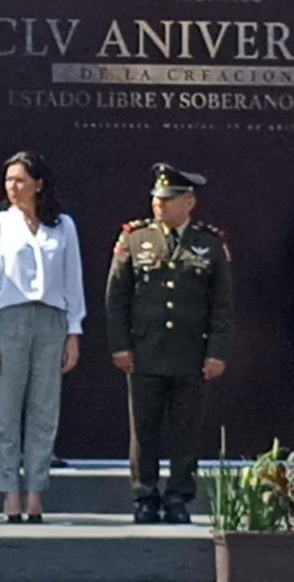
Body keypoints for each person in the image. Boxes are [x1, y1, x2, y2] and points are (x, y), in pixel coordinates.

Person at [105, 163, 232, 525]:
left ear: (188, 202)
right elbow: (117, 297)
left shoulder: (209, 243)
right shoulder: (135, 238)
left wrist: (217, 351)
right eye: (156, 198)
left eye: (168, 199)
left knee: (186, 429)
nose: (159, 205)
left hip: (191, 352)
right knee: (144, 429)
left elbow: (222, 304)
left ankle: (178, 497)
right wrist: (120, 345)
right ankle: (145, 495)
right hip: (145, 350)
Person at [0, 151, 84, 523]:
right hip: (9, 320)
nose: (13, 187)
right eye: (8, 181)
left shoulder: (62, 225)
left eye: (20, 180)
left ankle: (36, 491)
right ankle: (9, 492)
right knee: (6, 411)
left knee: (44, 411)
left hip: (51, 321)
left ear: (38, 184)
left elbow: (73, 281)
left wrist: (74, 331)